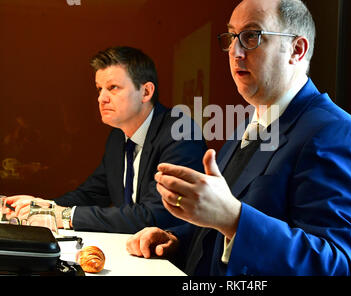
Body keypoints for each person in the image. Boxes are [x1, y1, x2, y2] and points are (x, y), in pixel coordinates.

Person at [126, 0, 351, 275]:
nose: (235, 52)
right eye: (231, 37)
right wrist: (177, 240)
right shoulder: (248, 125)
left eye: (251, 36)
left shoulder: (339, 136)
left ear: (297, 50)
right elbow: (222, 232)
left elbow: (342, 265)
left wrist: (233, 219)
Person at [6, 46, 207, 233]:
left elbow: (156, 216)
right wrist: (47, 206)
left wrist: (64, 216)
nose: (101, 98)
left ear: (146, 92)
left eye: (113, 88)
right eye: (99, 88)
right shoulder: (117, 138)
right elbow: (92, 193)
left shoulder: (180, 132)